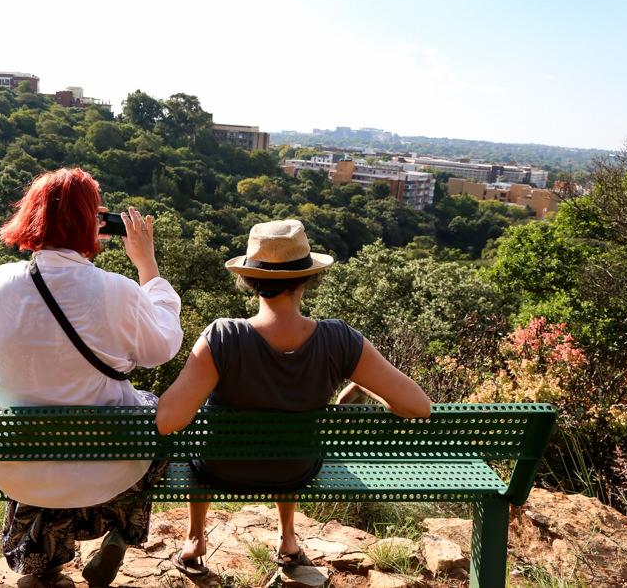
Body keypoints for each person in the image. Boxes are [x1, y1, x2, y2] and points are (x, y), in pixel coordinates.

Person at [156, 219, 431, 577]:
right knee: (290, 435)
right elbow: (418, 407)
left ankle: (194, 539)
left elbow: (168, 421)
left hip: (220, 469)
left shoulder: (222, 337)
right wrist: (366, 384)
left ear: (251, 282)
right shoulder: (340, 340)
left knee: (206, 428)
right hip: (295, 469)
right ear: (307, 279)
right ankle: (287, 538)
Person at [0, 168, 183, 587]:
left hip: (17, 462)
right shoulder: (118, 290)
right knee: (153, 414)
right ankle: (120, 533)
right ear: (89, 222)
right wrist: (147, 266)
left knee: (47, 431)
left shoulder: (0, 281)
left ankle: (43, 566)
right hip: (105, 466)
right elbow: (163, 347)